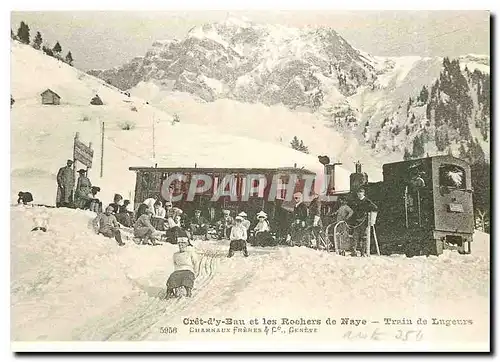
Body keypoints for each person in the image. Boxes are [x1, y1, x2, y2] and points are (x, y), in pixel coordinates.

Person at [165, 230, 199, 298]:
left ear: (186, 244)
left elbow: (195, 262)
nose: (181, 245)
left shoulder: (190, 253)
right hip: (178, 270)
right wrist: (176, 271)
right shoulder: (175, 254)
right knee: (172, 278)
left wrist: (195, 272)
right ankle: (169, 292)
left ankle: (188, 292)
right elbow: (175, 264)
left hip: (188, 270)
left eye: (183, 244)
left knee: (186, 278)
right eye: (179, 244)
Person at [349, 188, 378, 257]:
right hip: (357, 222)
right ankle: (354, 252)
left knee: (363, 237)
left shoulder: (367, 201)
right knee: (355, 237)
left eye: (360, 193)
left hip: (364, 222)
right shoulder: (356, 201)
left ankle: (363, 252)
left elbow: (375, 208)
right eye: (358, 193)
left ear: (363, 193)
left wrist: (369, 214)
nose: (359, 194)